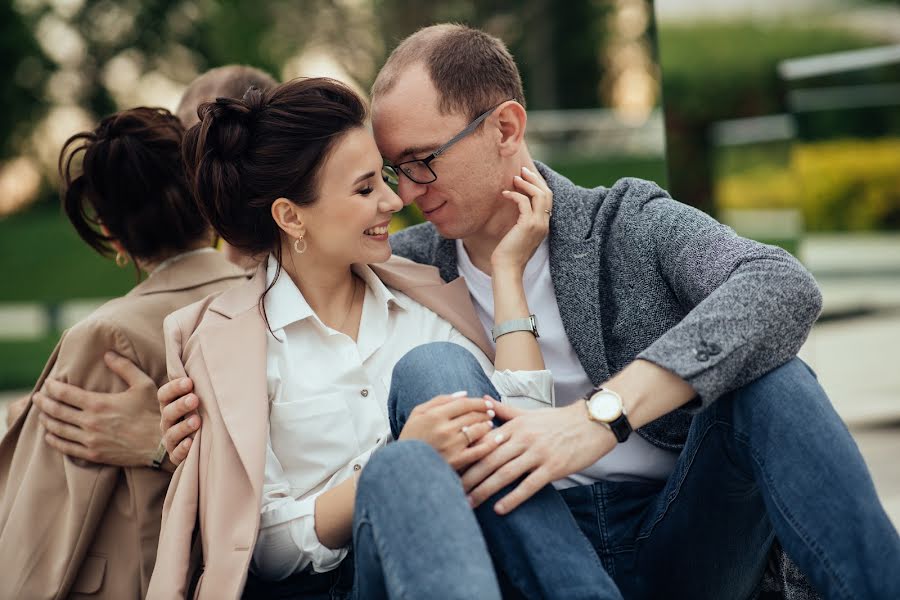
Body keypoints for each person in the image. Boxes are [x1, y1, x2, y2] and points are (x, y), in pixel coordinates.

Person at [156, 24, 900, 599]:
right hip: (519, 552)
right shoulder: (400, 261)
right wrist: (173, 419)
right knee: (432, 372)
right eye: (390, 171)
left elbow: (781, 286)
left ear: (505, 129)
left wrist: (600, 417)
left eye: (422, 161)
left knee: (776, 383)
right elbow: (258, 279)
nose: (404, 192)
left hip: (682, 534)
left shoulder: (625, 224)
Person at [147, 77, 612, 600]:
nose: (396, 199)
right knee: (403, 466)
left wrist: (507, 271)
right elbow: (260, 547)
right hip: (329, 587)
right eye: (366, 189)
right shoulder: (229, 346)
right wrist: (401, 458)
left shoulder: (422, 298)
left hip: (460, 562)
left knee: (433, 367)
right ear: (290, 216)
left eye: (385, 178)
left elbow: (520, 432)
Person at [0, 107, 248, 598]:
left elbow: (36, 526)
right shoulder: (261, 302)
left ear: (111, 234)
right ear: (206, 197)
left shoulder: (106, 338)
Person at [4, 65, 278, 458]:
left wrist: (162, 446)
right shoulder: (180, 305)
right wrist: (28, 428)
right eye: (192, 163)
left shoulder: (319, 299)